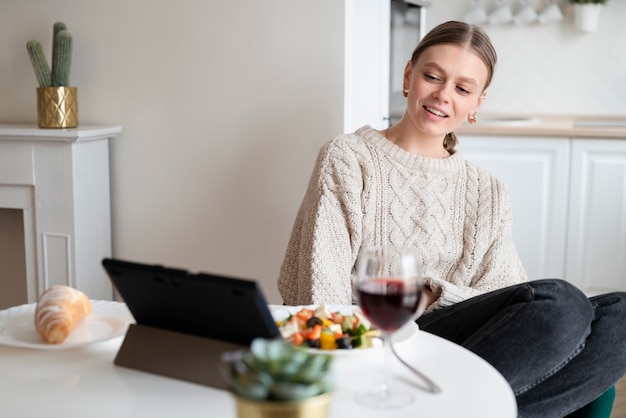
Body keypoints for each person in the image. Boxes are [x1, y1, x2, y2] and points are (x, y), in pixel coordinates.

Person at [277, 20, 626, 417]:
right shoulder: (349, 158)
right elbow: (319, 292)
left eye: (462, 89)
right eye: (432, 77)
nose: (443, 96)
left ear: (477, 103)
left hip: (471, 343)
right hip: (385, 337)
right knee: (562, 303)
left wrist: (432, 293)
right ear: (409, 75)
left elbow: (507, 295)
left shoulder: (487, 190)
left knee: (620, 316)